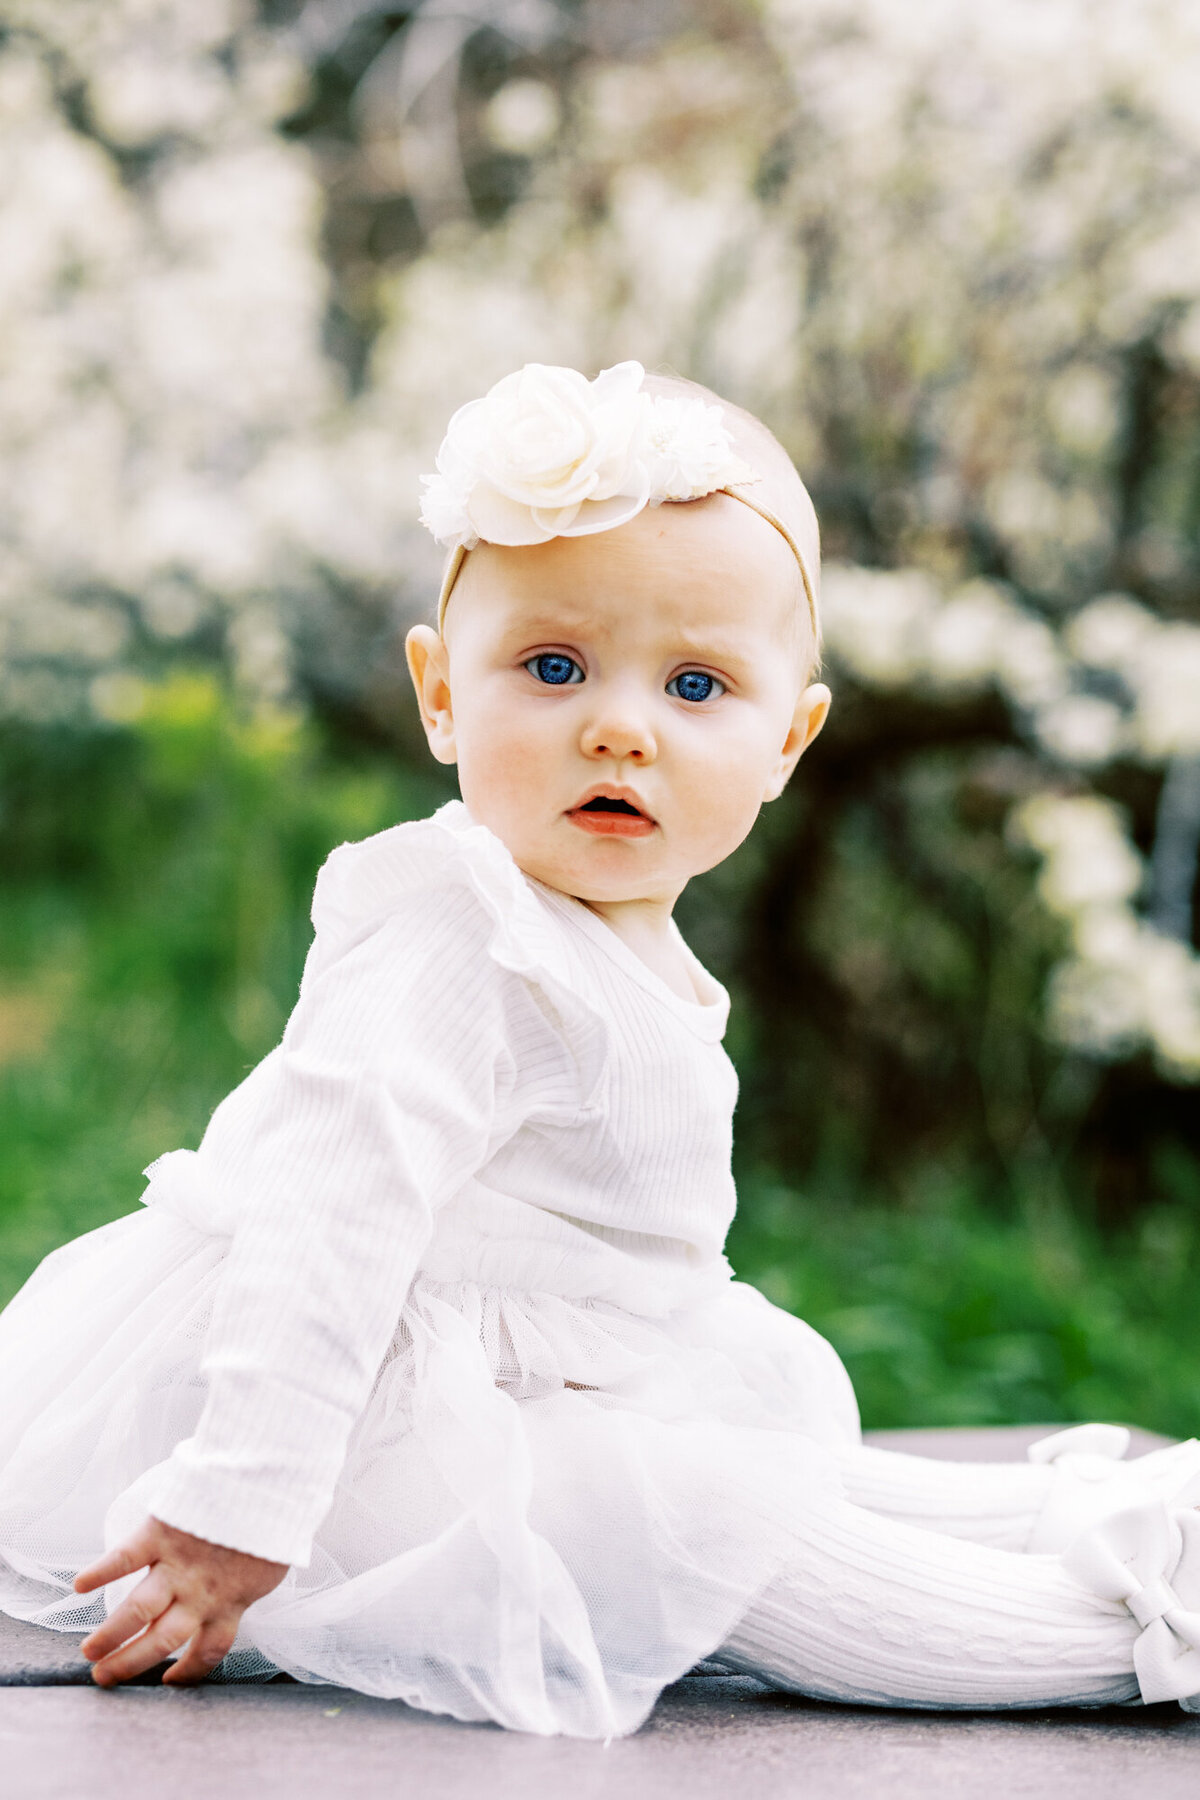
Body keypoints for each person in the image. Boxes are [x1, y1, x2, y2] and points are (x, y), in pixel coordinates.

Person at [1, 360, 1198, 1738]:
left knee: (801, 1474)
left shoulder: (610, 939)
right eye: (553, 666)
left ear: (788, 740)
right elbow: (324, 1229)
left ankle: (1114, 1519)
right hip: (349, 1420)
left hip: (547, 1375)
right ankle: (1123, 1637)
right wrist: (240, 1503)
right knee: (736, 1540)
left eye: (696, 684)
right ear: (441, 694)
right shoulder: (459, 936)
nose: (619, 725)